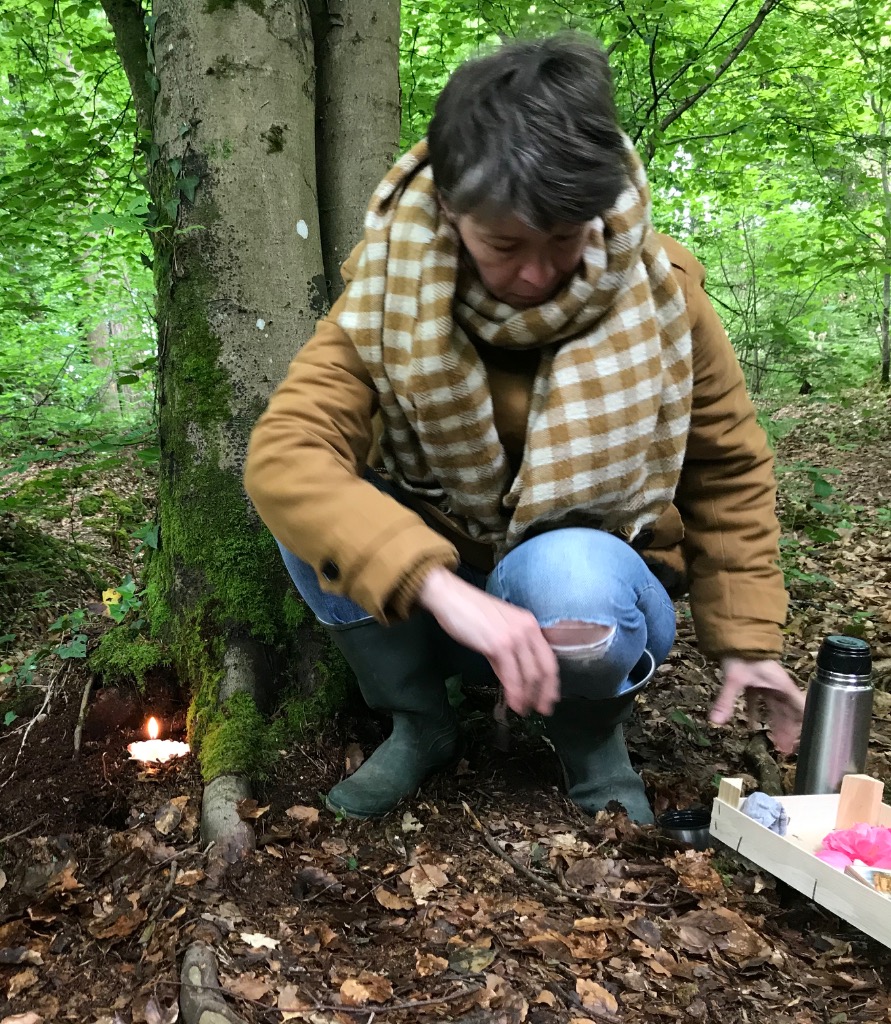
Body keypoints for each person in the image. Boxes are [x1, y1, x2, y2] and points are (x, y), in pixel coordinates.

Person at [244, 33, 805, 825]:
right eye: (505, 245)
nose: (537, 275)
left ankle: (588, 745)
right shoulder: (383, 297)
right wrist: (438, 586)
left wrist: (747, 641)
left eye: (565, 240)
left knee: (567, 571)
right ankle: (420, 724)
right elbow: (284, 452)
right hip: (442, 603)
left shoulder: (663, 293)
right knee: (310, 512)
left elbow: (727, 470)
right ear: (450, 208)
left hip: (588, 594)